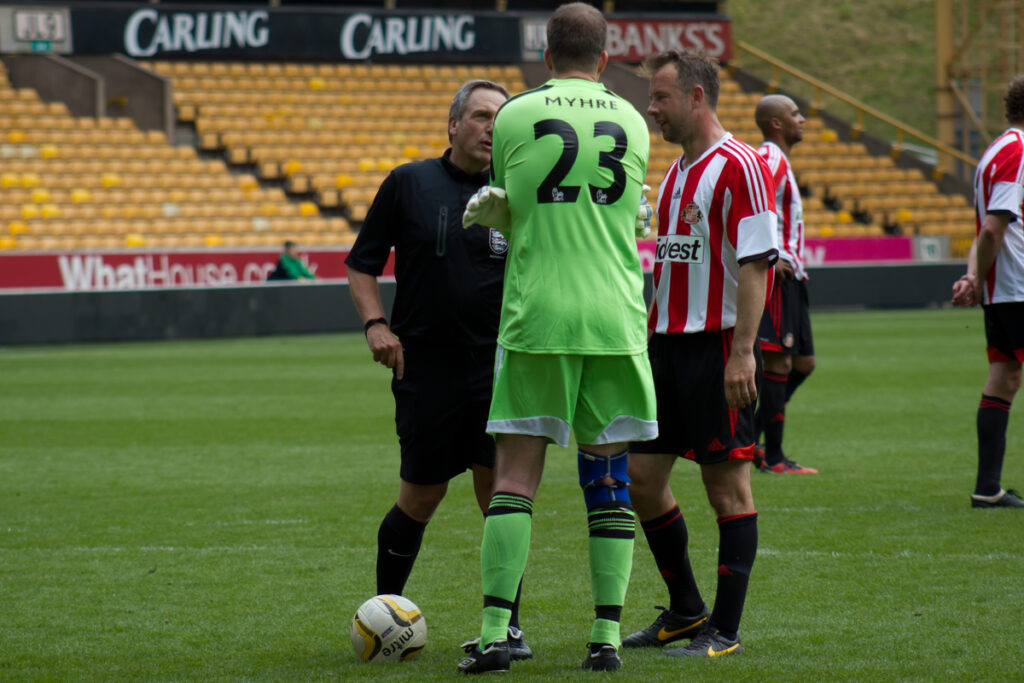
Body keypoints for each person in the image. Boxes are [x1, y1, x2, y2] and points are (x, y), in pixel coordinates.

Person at [456, 3, 656, 673]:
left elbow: (516, 211)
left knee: (514, 476)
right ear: (604, 58)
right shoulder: (632, 120)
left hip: (538, 313)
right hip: (614, 318)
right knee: (608, 475)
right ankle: (604, 636)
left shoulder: (512, 116)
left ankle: (492, 634)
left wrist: (507, 211)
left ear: (545, 56)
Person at [344, 79, 534, 659]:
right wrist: (377, 324)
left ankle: (508, 629)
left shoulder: (518, 191)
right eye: (479, 117)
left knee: (499, 499)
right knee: (419, 498)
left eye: (499, 121)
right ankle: (383, 617)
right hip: (426, 368)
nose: (488, 129)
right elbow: (361, 264)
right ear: (453, 124)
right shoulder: (409, 183)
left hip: (500, 366)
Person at [623, 49, 778, 658]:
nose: (651, 109)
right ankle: (687, 611)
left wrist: (743, 353)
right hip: (668, 347)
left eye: (661, 97)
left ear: (696, 97)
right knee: (641, 478)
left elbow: (755, 263)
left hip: (718, 347)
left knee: (728, 491)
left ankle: (727, 630)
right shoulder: (678, 173)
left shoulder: (738, 165)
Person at [951, 74, 1024, 509]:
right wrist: (976, 276)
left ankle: (988, 487)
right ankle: (987, 487)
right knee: (1004, 378)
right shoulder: (1017, 152)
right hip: (1017, 285)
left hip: (1004, 286)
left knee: (1004, 377)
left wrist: (973, 274)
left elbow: (987, 228)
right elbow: (995, 226)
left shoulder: (996, 150)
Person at [752, 94, 818, 474]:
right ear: (776, 123)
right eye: (795, 114)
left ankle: (752, 439)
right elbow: (755, 200)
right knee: (778, 360)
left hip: (795, 276)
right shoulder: (772, 158)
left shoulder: (780, 160)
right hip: (780, 274)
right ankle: (773, 458)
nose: (803, 119)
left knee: (804, 363)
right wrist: (770, 253)